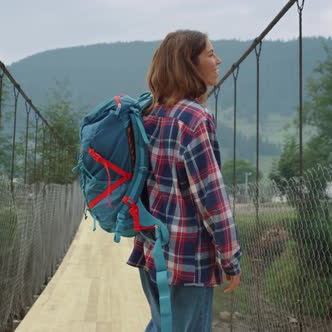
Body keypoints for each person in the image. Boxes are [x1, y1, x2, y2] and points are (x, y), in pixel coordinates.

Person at [127, 30, 242, 332]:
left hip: (152, 252)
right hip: (187, 260)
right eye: (210, 54)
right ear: (189, 64)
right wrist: (231, 259)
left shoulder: (148, 115)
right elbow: (212, 200)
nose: (219, 61)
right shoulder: (195, 118)